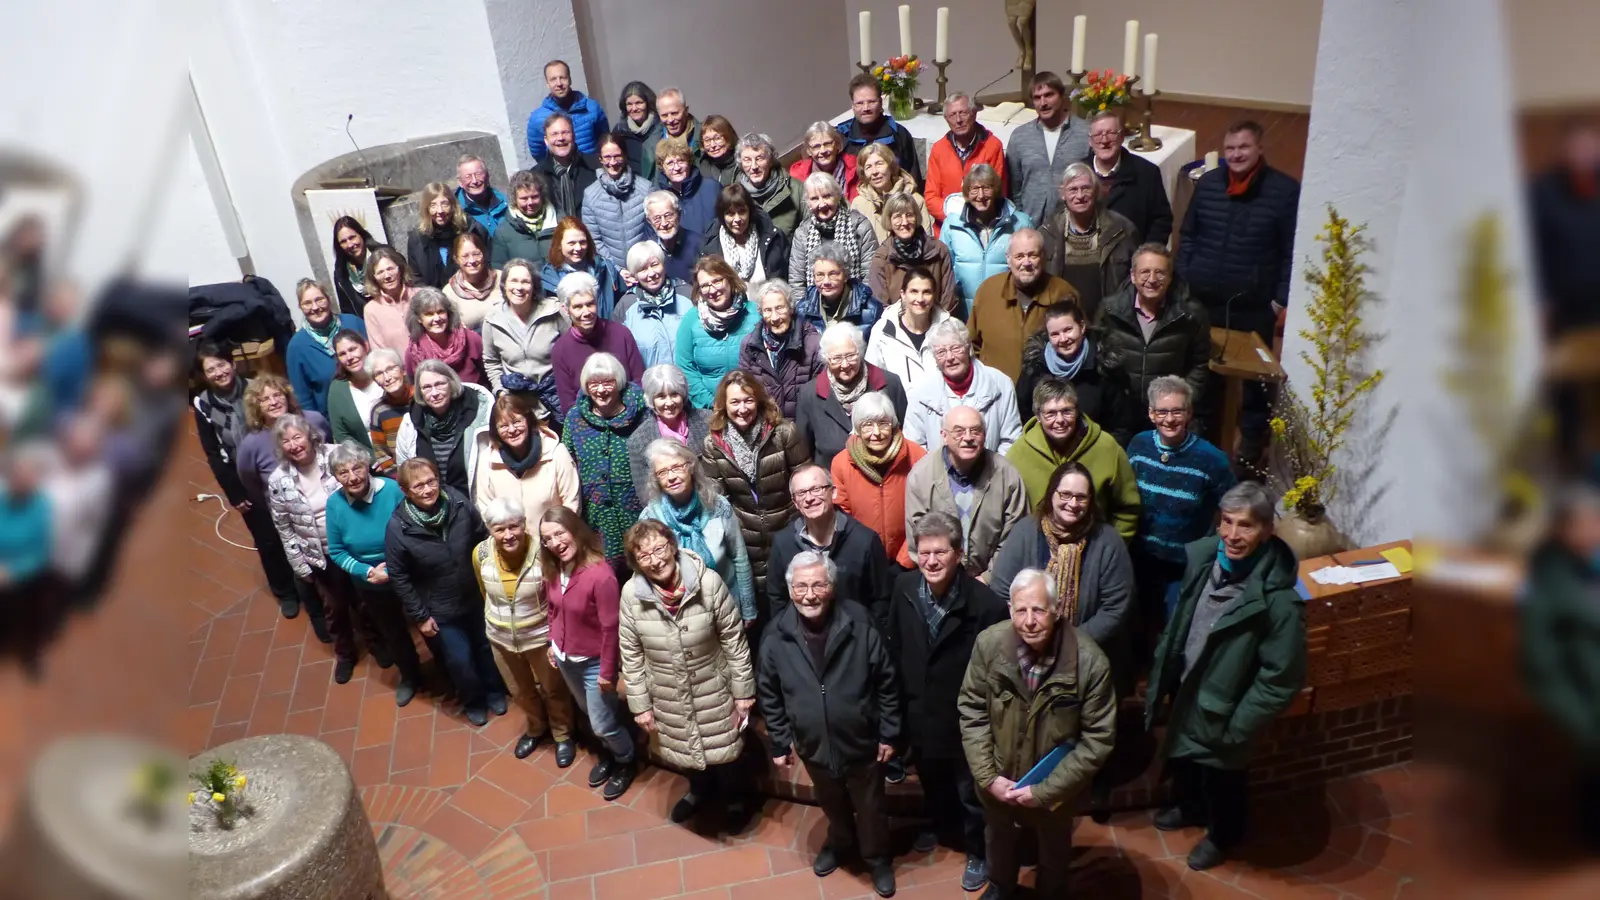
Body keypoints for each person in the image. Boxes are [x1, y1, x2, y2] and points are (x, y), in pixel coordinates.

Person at [1145, 482, 1306, 871]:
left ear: (1267, 531)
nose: (1233, 535)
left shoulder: (1279, 601)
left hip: (1226, 707)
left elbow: (1281, 677)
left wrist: (1239, 725)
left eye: (1246, 526)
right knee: (1186, 759)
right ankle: (1190, 808)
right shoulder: (1203, 562)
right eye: (1227, 522)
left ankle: (1223, 836)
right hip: (1188, 688)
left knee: (1224, 779)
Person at [958, 567, 1117, 900]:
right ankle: (1001, 885)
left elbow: (1097, 740)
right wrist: (988, 776)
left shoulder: (1089, 663)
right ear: (1010, 610)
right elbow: (971, 710)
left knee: (1054, 850)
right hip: (999, 779)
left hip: (1056, 790)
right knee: (998, 840)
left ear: (1056, 610)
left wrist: (1045, 791)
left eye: (1039, 609)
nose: (1029, 620)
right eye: (1021, 610)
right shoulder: (989, 646)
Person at [759, 551, 900, 897]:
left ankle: (877, 857)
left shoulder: (860, 622)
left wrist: (889, 732)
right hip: (813, 745)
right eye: (801, 586)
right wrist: (779, 739)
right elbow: (769, 691)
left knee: (870, 808)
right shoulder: (776, 634)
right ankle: (840, 841)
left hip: (861, 742)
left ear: (832, 587)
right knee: (831, 803)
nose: (810, 594)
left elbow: (887, 682)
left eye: (818, 584)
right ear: (790, 590)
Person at [885, 512, 1008, 892]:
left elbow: (996, 672)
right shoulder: (903, 588)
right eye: (924, 553)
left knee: (970, 792)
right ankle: (941, 827)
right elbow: (894, 646)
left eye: (941, 552)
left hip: (965, 721)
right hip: (919, 713)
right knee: (933, 782)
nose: (932, 561)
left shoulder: (986, 605)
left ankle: (978, 851)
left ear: (959, 554)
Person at [1176, 120, 1300, 462]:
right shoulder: (1210, 183)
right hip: (1203, 298)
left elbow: (1292, 249)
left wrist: (1279, 300)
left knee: (1256, 384)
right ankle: (1204, 441)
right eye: (1230, 149)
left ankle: (1250, 449)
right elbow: (1188, 234)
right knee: (1204, 374)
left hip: (1253, 303)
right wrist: (1184, 277)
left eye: (1243, 148)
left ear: (1259, 147)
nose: (1235, 155)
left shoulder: (1284, 191)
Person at [619, 520, 755, 825]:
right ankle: (697, 791)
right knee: (684, 747)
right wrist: (640, 706)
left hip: (714, 687)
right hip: (667, 693)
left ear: (673, 545)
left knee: (726, 750)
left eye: (659, 549)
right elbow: (631, 652)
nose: (655, 560)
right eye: (644, 556)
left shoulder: (708, 583)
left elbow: (734, 639)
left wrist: (743, 691)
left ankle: (734, 798)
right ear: (636, 563)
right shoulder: (631, 595)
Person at [989, 460, 1134, 689]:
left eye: (1081, 497)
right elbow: (1000, 592)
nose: (1073, 504)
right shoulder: (1025, 532)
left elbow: (1115, 607)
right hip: (1024, 649)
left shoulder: (1108, 541)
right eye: (1065, 494)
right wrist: (1031, 635)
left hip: (1086, 656)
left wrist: (1068, 643)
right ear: (1051, 495)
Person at [386, 457, 509, 727]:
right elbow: (399, 575)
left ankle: (496, 691)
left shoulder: (459, 503)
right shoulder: (399, 528)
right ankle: (473, 701)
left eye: (431, 481)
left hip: (474, 595)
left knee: (486, 648)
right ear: (405, 491)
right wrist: (420, 616)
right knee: (460, 660)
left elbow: (481, 538)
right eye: (419, 486)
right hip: (440, 609)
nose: (428, 489)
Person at [266, 415, 376, 684]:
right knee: (335, 609)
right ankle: (345, 655)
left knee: (364, 601)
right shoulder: (279, 481)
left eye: (297, 437)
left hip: (353, 547)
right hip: (320, 556)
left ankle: (378, 645)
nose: (294, 445)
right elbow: (283, 526)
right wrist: (299, 564)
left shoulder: (336, 456)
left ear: (309, 435)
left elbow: (365, 487)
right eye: (286, 441)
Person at [192, 343, 300, 616]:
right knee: (267, 540)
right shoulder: (203, 403)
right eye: (211, 369)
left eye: (221, 364)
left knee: (296, 528)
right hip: (244, 483)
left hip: (275, 471)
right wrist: (234, 494)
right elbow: (213, 453)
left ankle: (306, 583)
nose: (219, 372)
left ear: (232, 363)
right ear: (204, 375)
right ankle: (285, 591)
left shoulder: (256, 389)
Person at [1522, 480, 1600, 850]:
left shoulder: (1584, 565)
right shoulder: (1550, 579)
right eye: (1590, 523)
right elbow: (1541, 664)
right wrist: (1583, 726)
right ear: (1564, 528)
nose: (1597, 530)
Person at [538, 507, 635, 795]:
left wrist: (607, 672)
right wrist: (553, 643)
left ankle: (626, 760)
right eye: (547, 539)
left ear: (574, 530)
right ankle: (610, 753)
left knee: (603, 724)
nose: (555, 543)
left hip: (594, 662)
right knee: (591, 715)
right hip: (567, 660)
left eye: (559, 533)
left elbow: (610, 629)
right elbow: (553, 610)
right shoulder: (555, 568)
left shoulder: (600, 575)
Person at [474, 495, 576, 761]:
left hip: (539, 636)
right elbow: (485, 591)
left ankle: (562, 734)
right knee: (520, 690)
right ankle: (535, 726)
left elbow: (557, 599)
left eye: (513, 526)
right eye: (500, 529)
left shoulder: (543, 554)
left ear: (523, 525)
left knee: (553, 688)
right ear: (490, 530)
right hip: (500, 637)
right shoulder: (481, 554)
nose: (508, 535)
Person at [1126, 377, 1235, 627]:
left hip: (1185, 564)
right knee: (1140, 622)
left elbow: (1233, 505)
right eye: (1162, 411)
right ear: (1151, 414)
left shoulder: (1211, 459)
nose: (1170, 419)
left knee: (1176, 626)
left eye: (1177, 411)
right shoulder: (1138, 445)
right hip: (1142, 558)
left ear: (1189, 413)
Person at [700, 370, 809, 615]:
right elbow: (717, 498)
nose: (742, 408)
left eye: (748, 400)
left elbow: (803, 479)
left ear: (758, 400)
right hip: (744, 537)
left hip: (787, 528)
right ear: (723, 405)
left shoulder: (783, 433)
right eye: (735, 402)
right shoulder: (713, 443)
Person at [326, 441, 424, 707]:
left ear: (367, 466)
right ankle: (410, 676)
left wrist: (393, 569)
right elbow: (336, 551)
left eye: (357, 468)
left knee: (427, 623)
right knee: (393, 632)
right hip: (371, 581)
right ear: (335, 476)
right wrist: (367, 571)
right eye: (343, 472)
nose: (352, 477)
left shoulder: (392, 490)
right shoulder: (334, 505)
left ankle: (449, 672)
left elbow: (415, 530)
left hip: (408, 570)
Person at [1098, 244, 1211, 444]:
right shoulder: (1110, 310)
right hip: (1122, 415)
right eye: (1145, 272)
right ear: (1133, 276)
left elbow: (1199, 363)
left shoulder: (1191, 315)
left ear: (1170, 277)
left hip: (1166, 415)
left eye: (1160, 273)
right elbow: (1098, 357)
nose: (1152, 280)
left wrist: (1181, 402)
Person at [905, 407, 1031, 579]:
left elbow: (1015, 538)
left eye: (975, 431)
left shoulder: (1007, 475)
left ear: (984, 435)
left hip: (993, 584)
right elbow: (917, 538)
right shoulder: (921, 476)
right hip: (939, 582)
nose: (968, 438)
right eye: (959, 431)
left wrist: (988, 578)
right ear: (944, 435)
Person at [640, 438, 756, 624]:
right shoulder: (649, 518)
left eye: (677, 467)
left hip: (726, 604)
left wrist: (748, 609)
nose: (671, 477)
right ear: (656, 480)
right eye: (662, 472)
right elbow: (647, 575)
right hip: (680, 616)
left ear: (691, 467)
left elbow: (739, 558)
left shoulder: (718, 506)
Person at [1007, 378, 1140, 538]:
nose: (1060, 420)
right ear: (1038, 416)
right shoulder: (1018, 453)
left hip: (1093, 551)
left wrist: (1110, 548)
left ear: (1077, 411)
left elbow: (1128, 509)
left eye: (1066, 411)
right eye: (1050, 414)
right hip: (1036, 552)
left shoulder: (1107, 448)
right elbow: (1008, 511)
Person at [767, 464, 893, 627]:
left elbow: (881, 601)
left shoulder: (865, 541)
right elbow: (777, 598)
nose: (809, 498)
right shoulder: (782, 543)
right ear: (795, 503)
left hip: (854, 639)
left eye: (816, 489)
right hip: (803, 641)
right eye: (802, 493)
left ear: (833, 492)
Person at [560, 352, 648, 563]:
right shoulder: (575, 418)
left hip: (638, 511)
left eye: (607, 382)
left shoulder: (642, 414)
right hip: (595, 516)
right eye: (593, 384)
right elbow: (567, 462)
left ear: (618, 382)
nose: (600, 390)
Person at [967, 227, 1079, 384]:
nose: (1026, 263)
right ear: (1008, 259)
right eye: (1019, 256)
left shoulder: (1063, 293)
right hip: (995, 393)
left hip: (1047, 398)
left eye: (1033, 255)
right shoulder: (988, 291)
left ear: (1044, 257)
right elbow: (971, 345)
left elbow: (1080, 347)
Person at [831, 391, 925, 568]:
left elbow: (925, 512)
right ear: (857, 428)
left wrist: (905, 560)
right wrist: (863, 555)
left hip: (909, 560)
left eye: (883, 424)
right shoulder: (841, 463)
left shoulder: (917, 456)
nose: (877, 433)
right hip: (862, 559)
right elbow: (842, 517)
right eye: (867, 425)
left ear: (893, 424)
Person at [903, 319, 1022, 455]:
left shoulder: (1001, 384)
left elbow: (1011, 440)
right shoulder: (920, 392)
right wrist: (937, 472)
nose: (949, 357)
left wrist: (991, 472)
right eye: (941, 352)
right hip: (938, 473)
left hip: (991, 471)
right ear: (934, 357)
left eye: (955, 348)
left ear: (968, 348)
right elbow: (914, 446)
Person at [796, 322, 908, 467]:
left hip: (885, 476)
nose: (845, 365)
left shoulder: (890, 383)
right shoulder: (809, 394)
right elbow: (804, 453)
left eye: (850, 356)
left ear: (860, 352)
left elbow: (905, 435)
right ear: (826, 359)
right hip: (832, 481)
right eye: (836, 358)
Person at [1039, 163, 1139, 322]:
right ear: (1063, 193)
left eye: (1086, 188)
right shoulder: (1046, 234)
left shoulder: (1122, 230)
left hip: (1112, 324)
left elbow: (1135, 279)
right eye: (1073, 189)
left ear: (1096, 191)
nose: (1080, 196)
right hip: (1064, 328)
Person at [1531, 119, 1600, 337]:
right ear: (1565, 151)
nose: (1585, 155)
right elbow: (1534, 247)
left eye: (1591, 147)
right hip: (1567, 305)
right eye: (1578, 148)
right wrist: (1540, 299)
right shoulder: (1542, 192)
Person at [472, 391, 581, 528]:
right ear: (496, 430)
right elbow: (486, 509)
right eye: (504, 426)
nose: (512, 430)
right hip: (511, 543)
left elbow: (572, 504)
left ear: (528, 420)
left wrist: (554, 538)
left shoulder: (557, 453)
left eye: (517, 422)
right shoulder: (487, 460)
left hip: (552, 543)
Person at [394, 359, 495, 496]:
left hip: (475, 502)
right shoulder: (410, 422)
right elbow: (406, 470)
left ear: (451, 383)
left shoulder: (477, 412)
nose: (434, 393)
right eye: (427, 387)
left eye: (440, 384)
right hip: (434, 506)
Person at [482, 258, 567, 419]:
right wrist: (501, 392)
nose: (519, 287)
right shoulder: (493, 319)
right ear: (504, 285)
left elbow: (572, 352)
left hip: (555, 399)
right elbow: (491, 361)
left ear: (534, 286)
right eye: (513, 281)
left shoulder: (554, 312)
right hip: (517, 406)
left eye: (525, 282)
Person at [550, 272, 645, 416]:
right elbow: (568, 406)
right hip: (588, 426)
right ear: (566, 309)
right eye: (578, 307)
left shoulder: (621, 334)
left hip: (629, 416)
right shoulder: (561, 350)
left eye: (590, 304)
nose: (586, 312)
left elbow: (638, 383)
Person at [942, 164, 1035, 310]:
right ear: (966, 192)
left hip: (1007, 311)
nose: (981, 196)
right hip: (964, 313)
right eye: (974, 189)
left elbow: (1033, 270)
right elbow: (944, 273)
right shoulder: (952, 226)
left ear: (996, 189)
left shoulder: (1021, 224)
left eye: (986, 188)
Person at [1017, 300, 1124, 425]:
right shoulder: (1035, 367)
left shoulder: (1104, 367)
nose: (1063, 339)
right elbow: (1022, 415)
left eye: (1068, 330)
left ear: (1082, 327)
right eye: (1055, 334)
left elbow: (1121, 424)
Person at [235, 373, 333, 508]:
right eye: (265, 399)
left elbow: (330, 447)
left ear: (287, 396)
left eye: (277, 395)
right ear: (256, 406)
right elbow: (250, 483)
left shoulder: (314, 420)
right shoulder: (251, 445)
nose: (274, 402)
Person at [1006, 72, 1091, 226]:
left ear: (1061, 96)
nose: (1043, 103)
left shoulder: (1084, 133)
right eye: (1037, 98)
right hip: (1031, 224)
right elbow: (1014, 186)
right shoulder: (1020, 137)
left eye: (1049, 95)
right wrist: (1020, 220)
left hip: (1073, 225)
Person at [676, 257, 759, 408]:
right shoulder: (691, 320)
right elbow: (685, 367)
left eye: (717, 281)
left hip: (750, 406)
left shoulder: (754, 314)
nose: (712, 290)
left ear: (730, 280)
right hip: (709, 410)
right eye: (705, 285)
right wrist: (712, 404)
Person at [1083, 110, 1172, 246]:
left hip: (1132, 260)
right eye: (1098, 135)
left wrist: (1145, 257)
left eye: (1111, 133)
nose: (1104, 140)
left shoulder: (1146, 173)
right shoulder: (1079, 173)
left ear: (1122, 137)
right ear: (1090, 141)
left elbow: (1161, 221)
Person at [625, 364, 713, 502]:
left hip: (710, 502)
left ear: (683, 395)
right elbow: (646, 494)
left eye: (674, 394)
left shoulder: (708, 421)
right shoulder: (638, 440)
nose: (669, 402)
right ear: (651, 400)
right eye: (661, 396)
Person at [925, 93, 1007, 236]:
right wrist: (958, 218)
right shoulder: (939, 150)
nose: (958, 120)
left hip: (983, 228)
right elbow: (931, 198)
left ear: (974, 114)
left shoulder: (992, 146)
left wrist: (974, 218)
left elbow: (998, 192)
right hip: (948, 229)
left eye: (963, 113)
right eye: (952, 115)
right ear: (946, 119)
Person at [739, 278, 823, 419]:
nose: (775, 317)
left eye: (779, 308)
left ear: (791, 308)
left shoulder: (813, 343)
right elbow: (746, 390)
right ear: (761, 313)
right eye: (767, 310)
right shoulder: (749, 345)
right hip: (765, 427)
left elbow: (819, 396)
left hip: (802, 428)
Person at [790, 172, 879, 301]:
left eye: (827, 196)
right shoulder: (802, 233)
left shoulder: (859, 226)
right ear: (807, 203)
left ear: (837, 196)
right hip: (815, 310)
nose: (822, 204)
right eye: (814, 199)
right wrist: (806, 314)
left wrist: (860, 305)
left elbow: (870, 274)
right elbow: (797, 281)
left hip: (857, 303)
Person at [286, 279, 367, 417]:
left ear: (329, 299)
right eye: (307, 303)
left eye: (319, 299)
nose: (315, 307)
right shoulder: (296, 347)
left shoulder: (353, 323)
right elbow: (303, 398)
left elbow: (376, 359)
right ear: (300, 307)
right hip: (334, 420)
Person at [867, 194, 958, 313]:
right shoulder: (882, 258)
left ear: (916, 218)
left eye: (909, 215)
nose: (904, 222)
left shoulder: (939, 251)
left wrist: (936, 324)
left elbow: (948, 298)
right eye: (897, 217)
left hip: (936, 324)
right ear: (889, 220)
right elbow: (880, 303)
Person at [866, 266, 951, 385]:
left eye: (927, 292)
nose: (920, 299)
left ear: (934, 295)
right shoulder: (882, 332)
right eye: (914, 292)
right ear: (903, 294)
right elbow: (873, 380)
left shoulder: (950, 329)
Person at [581, 132, 653, 271]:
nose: (613, 162)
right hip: (612, 273)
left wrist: (643, 263)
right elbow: (594, 240)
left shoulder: (645, 189)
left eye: (617, 156)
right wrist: (617, 269)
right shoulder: (590, 195)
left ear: (625, 156)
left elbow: (653, 231)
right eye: (607, 157)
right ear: (600, 159)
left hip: (646, 268)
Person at [615, 241, 693, 369]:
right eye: (642, 269)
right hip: (650, 386)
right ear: (634, 274)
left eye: (655, 265)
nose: (651, 274)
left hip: (689, 384)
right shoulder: (626, 305)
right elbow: (621, 356)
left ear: (663, 264)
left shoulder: (687, 294)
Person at [838, 74, 923, 187]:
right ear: (853, 105)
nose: (866, 108)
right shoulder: (842, 135)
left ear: (881, 102)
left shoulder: (899, 133)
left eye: (871, 102)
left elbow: (913, 177)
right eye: (860, 103)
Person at [700, 183, 789, 287]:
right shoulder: (710, 246)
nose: (737, 219)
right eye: (730, 213)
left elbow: (784, 280)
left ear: (750, 211)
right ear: (722, 216)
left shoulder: (773, 238)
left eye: (742, 211)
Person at [795, 243, 884, 344]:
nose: (826, 282)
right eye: (820, 275)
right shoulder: (802, 309)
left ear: (846, 276)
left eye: (833, 274)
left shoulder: (871, 309)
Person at [541, 217, 625, 323]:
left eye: (582, 242)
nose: (578, 248)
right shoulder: (547, 279)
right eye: (571, 243)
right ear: (559, 245)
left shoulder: (606, 269)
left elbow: (623, 304)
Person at [408, 182, 488, 290]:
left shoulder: (471, 229)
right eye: (433, 205)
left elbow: (488, 262)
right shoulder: (417, 238)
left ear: (452, 205)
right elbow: (416, 277)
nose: (439, 211)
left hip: (472, 292)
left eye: (445, 204)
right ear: (426, 208)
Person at [526, 59, 610, 160]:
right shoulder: (537, 118)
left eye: (563, 78)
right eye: (553, 79)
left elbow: (605, 141)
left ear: (570, 79)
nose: (559, 83)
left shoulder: (592, 107)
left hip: (592, 170)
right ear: (547, 83)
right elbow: (538, 154)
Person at [403, 287, 487, 388]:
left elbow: (486, 373)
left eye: (440, 311)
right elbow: (415, 385)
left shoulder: (471, 338)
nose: (437, 318)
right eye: (429, 314)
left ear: (448, 313)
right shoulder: (413, 353)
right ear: (419, 319)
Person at [851, 144, 932, 243]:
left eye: (879, 164)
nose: (874, 172)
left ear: (891, 166)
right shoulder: (858, 204)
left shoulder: (915, 200)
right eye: (868, 167)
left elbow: (927, 243)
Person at [533, 112, 601, 219]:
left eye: (565, 132)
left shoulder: (595, 167)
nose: (560, 138)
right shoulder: (535, 176)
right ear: (546, 140)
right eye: (554, 134)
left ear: (573, 136)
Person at [736, 133, 806, 237]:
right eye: (747, 160)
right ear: (740, 163)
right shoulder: (734, 195)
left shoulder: (796, 189)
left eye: (759, 158)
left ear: (771, 161)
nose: (754, 166)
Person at [656, 136, 719, 248]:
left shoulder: (712, 188)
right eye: (670, 163)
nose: (676, 168)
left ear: (689, 162)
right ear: (662, 168)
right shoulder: (657, 197)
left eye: (681, 161)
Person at [326, 330, 385, 452]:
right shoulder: (337, 390)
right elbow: (341, 435)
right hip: (370, 462)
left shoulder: (386, 372)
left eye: (353, 349)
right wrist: (372, 458)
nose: (349, 357)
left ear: (366, 346)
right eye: (342, 354)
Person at [491, 170, 559, 269]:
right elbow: (499, 269)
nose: (530, 202)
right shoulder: (503, 232)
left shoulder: (559, 220)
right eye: (524, 198)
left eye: (535, 197)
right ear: (514, 199)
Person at [361, 246, 418, 357]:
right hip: (401, 372)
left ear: (399, 269)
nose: (387, 276)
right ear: (374, 278)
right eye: (380, 272)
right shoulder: (371, 310)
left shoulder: (420, 295)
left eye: (390, 269)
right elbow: (380, 352)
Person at [442, 230, 502, 330]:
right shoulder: (450, 293)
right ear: (456, 259)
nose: (472, 261)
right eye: (465, 256)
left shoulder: (502, 279)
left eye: (476, 254)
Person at [364, 348, 412, 474]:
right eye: (379, 374)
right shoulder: (379, 411)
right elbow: (383, 457)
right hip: (403, 477)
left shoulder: (422, 398)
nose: (387, 378)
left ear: (403, 370)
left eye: (390, 369)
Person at [791, 121, 860, 200]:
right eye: (816, 146)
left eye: (827, 144)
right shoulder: (797, 176)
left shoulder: (855, 167)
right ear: (809, 151)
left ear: (837, 145)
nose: (823, 151)